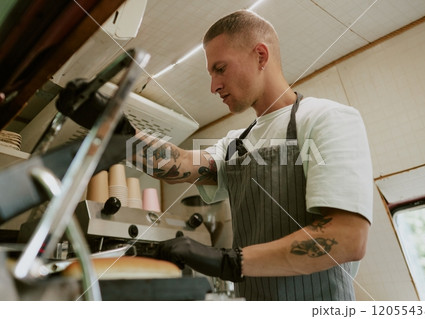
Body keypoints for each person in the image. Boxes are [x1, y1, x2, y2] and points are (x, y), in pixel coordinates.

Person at [62, 9, 373, 301]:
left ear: (260, 55)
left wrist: (229, 262)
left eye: (219, 69)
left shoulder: (325, 119)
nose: (213, 85)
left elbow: (347, 237)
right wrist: (119, 132)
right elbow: (178, 164)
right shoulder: (236, 143)